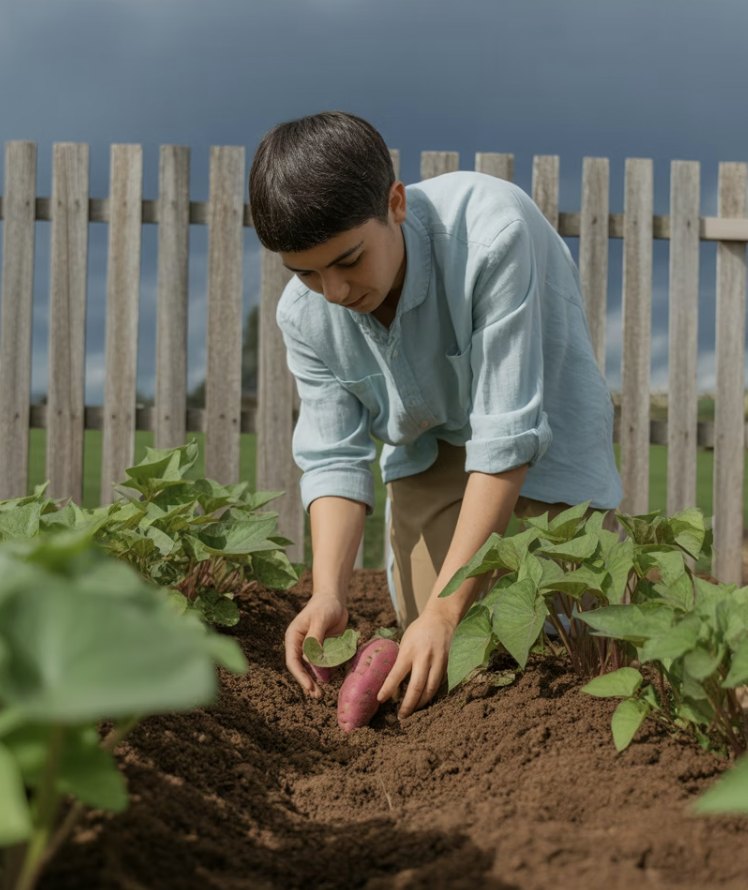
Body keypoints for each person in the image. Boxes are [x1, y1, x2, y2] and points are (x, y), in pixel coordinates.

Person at [248, 111, 622, 720]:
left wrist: (447, 612)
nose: (334, 291)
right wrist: (328, 592)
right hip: (428, 446)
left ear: (395, 203)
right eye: (307, 272)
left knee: (561, 631)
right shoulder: (305, 314)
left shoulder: (491, 233)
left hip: (541, 429)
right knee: (443, 649)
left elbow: (506, 434)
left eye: (347, 261)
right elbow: (334, 457)